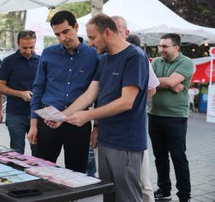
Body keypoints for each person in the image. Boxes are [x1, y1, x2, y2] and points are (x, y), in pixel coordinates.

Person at [50, 13, 149, 202]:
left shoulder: (134, 56)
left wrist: (88, 116)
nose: (90, 43)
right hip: (106, 140)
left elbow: (126, 102)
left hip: (126, 141)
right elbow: (89, 94)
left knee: (127, 197)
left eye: (93, 37)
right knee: (109, 196)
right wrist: (61, 116)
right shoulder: (104, 59)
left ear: (107, 32)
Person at [28, 10, 101, 173]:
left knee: (77, 172)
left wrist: (96, 126)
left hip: (78, 121)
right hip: (48, 120)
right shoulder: (48, 54)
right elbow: (38, 88)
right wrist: (33, 124)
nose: (62, 38)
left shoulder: (93, 55)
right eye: (57, 34)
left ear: (75, 27)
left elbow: (97, 94)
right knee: (43, 170)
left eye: (65, 31)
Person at [113, 16, 159, 202]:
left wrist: (133, 105)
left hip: (132, 131)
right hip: (110, 132)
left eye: (117, 30)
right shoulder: (104, 57)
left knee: (142, 181)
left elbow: (152, 89)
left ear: (126, 33)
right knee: (115, 181)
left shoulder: (137, 56)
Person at [148, 33, 193, 202]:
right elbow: (149, 82)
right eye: (160, 46)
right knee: (160, 157)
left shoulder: (186, 63)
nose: (161, 50)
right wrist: (168, 82)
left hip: (176, 117)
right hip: (154, 115)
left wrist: (165, 82)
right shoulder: (157, 62)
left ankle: (184, 195)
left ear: (176, 47)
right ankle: (164, 190)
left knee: (178, 157)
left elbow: (167, 83)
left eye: (165, 46)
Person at [0, 30, 40, 155]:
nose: (28, 51)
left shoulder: (41, 61)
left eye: (31, 47)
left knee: (38, 152)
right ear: (18, 44)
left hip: (36, 115)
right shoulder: (9, 62)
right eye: (24, 48)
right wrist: (20, 94)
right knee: (17, 153)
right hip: (15, 114)